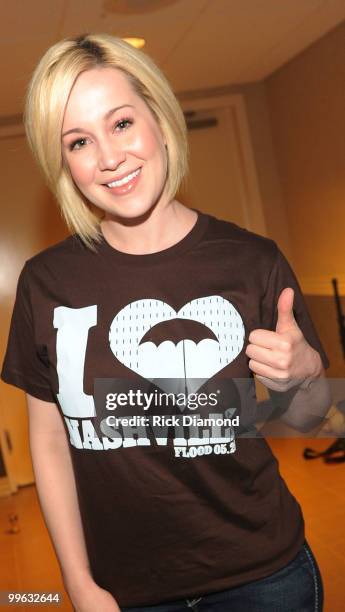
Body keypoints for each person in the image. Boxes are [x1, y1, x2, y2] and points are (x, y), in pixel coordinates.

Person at [1, 33, 331, 612]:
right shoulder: (46, 282)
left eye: (121, 123)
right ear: (64, 162)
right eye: (79, 140)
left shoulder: (252, 259)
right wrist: (77, 583)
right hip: (124, 589)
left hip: (263, 578)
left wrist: (303, 376)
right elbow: (50, 440)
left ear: (156, 116)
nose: (108, 157)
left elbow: (309, 422)